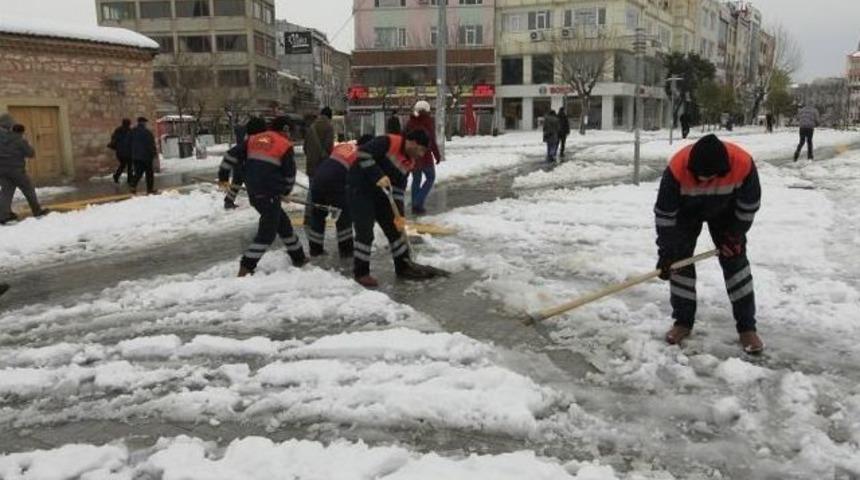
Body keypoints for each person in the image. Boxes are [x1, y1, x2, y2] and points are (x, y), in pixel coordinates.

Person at [654, 134, 764, 354]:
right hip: (686, 212)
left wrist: (735, 236)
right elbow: (665, 215)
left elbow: (749, 206)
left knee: (736, 266)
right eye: (698, 176)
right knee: (679, 264)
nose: (702, 180)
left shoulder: (742, 164)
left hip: (726, 212)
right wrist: (667, 252)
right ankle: (682, 322)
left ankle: (747, 328)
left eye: (708, 176)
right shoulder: (677, 168)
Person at [349, 131, 436, 287]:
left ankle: (403, 266)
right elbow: (363, 153)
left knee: (395, 229)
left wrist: (399, 216)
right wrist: (377, 175)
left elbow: (399, 190)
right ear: (413, 143)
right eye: (421, 150)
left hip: (383, 194)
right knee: (365, 231)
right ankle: (361, 273)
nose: (422, 155)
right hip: (361, 189)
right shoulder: (388, 142)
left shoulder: (410, 162)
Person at [237, 116, 307, 277]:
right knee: (267, 233)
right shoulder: (283, 145)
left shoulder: (258, 141)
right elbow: (289, 175)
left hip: (258, 192)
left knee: (284, 226)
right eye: (290, 131)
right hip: (267, 194)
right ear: (285, 130)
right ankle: (246, 266)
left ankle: (299, 257)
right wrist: (285, 191)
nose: (291, 135)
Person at [307, 134, 375, 258]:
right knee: (344, 215)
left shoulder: (344, 146)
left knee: (318, 214)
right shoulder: (361, 155)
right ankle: (346, 250)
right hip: (335, 182)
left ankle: (315, 250)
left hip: (318, 178)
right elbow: (358, 181)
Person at [0, 114, 49, 224]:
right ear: (9, 125)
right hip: (17, 170)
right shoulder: (17, 138)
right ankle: (37, 211)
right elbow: (30, 153)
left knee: (6, 192)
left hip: (2, 171)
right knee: (28, 189)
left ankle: (3, 215)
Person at [217, 116, 267, 209]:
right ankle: (229, 201)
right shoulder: (250, 141)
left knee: (236, 183)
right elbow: (230, 155)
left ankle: (229, 201)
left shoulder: (242, 131)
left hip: (241, 165)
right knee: (241, 184)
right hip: (245, 167)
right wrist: (223, 179)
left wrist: (223, 178)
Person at [405, 100, 441, 215]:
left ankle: (416, 207)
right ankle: (418, 202)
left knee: (416, 179)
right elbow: (432, 140)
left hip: (413, 157)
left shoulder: (410, 122)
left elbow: (404, 138)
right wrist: (437, 155)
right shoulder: (428, 122)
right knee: (430, 177)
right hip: (425, 156)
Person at [303, 107, 334, 221]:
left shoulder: (311, 127)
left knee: (312, 189)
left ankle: (308, 214)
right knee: (319, 191)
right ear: (329, 117)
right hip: (322, 165)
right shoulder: (329, 127)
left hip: (311, 164)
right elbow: (329, 147)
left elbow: (305, 148)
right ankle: (315, 215)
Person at [128, 117, 158, 194]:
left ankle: (133, 185)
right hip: (146, 156)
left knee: (138, 172)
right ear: (144, 123)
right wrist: (154, 154)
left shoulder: (132, 132)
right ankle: (149, 189)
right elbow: (151, 144)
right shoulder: (147, 132)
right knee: (149, 173)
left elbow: (128, 143)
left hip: (136, 156)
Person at [108, 118, 133, 184]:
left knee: (123, 164)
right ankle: (129, 180)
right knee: (129, 165)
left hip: (120, 152)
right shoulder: (130, 131)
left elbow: (114, 139)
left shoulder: (118, 130)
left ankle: (116, 176)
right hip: (128, 151)